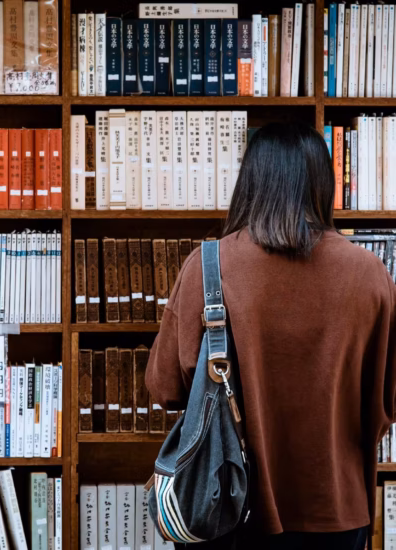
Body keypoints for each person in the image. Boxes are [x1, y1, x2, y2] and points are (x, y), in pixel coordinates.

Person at [145, 122, 396, 550]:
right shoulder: (369, 274)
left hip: (225, 504)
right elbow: (388, 401)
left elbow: (165, 388)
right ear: (323, 183)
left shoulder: (209, 266)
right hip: (337, 509)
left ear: (250, 181)